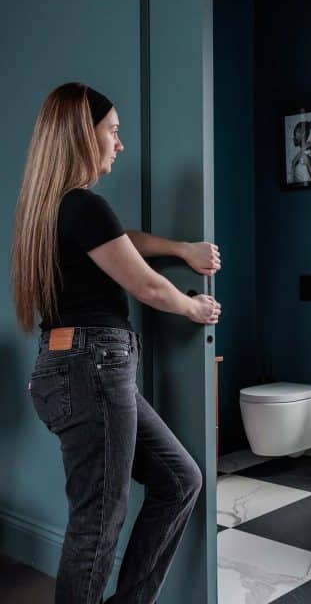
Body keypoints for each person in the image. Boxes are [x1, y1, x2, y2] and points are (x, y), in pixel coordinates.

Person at [10, 82, 222, 604]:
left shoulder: (55, 209)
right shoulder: (83, 206)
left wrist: (182, 249)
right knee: (97, 523)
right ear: (84, 136)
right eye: (113, 131)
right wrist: (194, 306)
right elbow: (146, 285)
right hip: (93, 369)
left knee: (179, 480)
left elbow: (123, 242)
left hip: (69, 367)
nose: (120, 143)